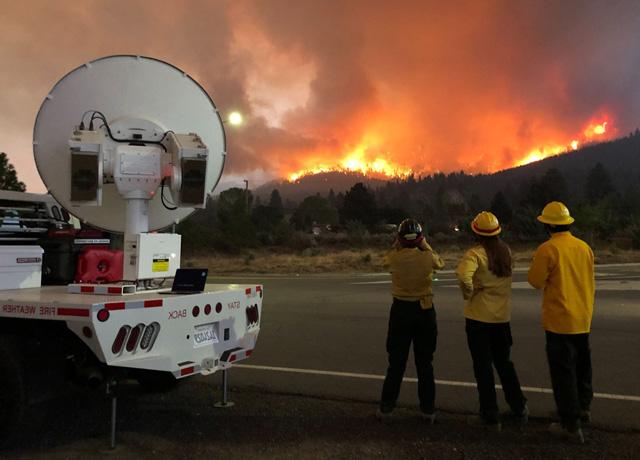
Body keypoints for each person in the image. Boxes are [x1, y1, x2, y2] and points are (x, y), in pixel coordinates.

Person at [528, 201, 595, 444]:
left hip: (559, 320)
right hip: (582, 317)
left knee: (563, 373)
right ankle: (582, 408)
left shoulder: (548, 249)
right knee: (582, 368)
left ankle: (569, 424)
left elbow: (535, 281)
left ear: (547, 226)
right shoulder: (584, 247)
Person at [456, 211, 528, 430]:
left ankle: (490, 415)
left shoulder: (474, 254)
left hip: (479, 319)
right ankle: (519, 407)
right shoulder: (506, 252)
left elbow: (463, 276)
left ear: (476, 232)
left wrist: (470, 293)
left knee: (483, 367)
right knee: (504, 364)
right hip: (501, 319)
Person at [378, 218, 444, 423]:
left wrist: (396, 244)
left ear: (399, 238)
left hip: (400, 311)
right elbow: (439, 264)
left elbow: (384, 261)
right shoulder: (427, 258)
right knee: (425, 363)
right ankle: (427, 410)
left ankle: (387, 409)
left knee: (396, 363)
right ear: (420, 238)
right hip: (424, 311)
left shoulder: (394, 258)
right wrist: (425, 244)